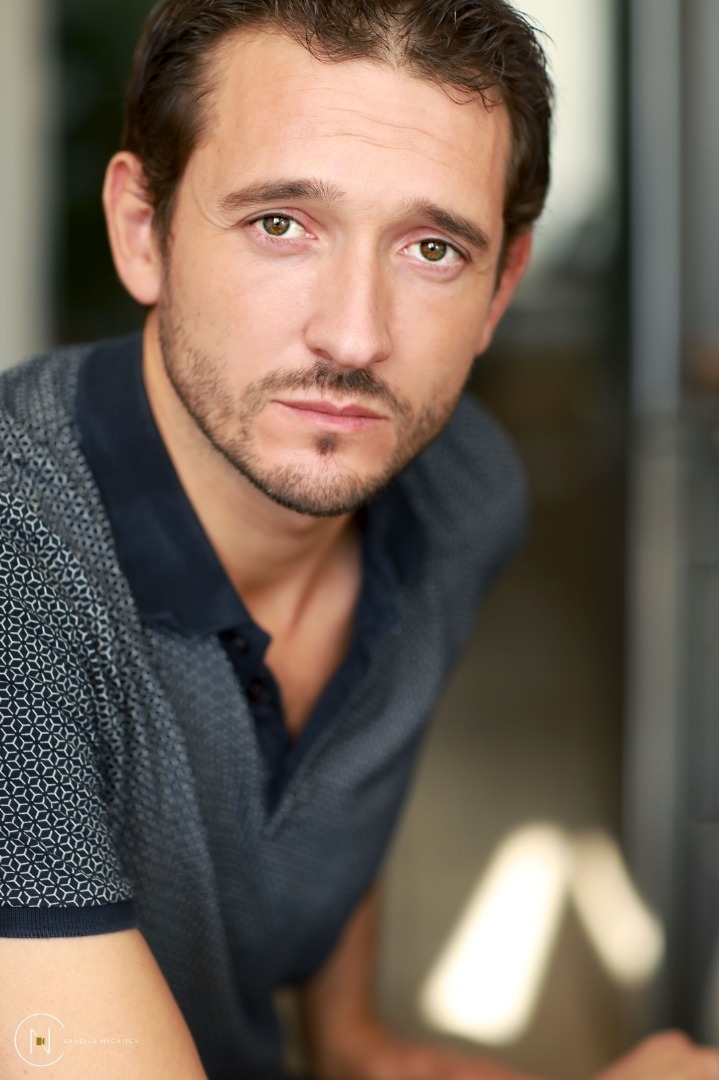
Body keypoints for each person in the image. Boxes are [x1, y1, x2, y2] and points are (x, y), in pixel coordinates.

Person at [0, 1, 718, 1078]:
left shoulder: (462, 494)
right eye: (279, 224)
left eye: (431, 249)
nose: (352, 335)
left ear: (498, 290)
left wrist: (349, 1037)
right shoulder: (18, 574)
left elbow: (353, 761)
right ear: (143, 228)